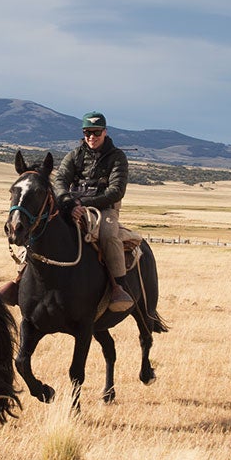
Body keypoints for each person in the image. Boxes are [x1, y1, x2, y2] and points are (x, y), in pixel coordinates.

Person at [57, 111, 133, 313]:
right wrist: (68, 203)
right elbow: (60, 181)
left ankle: (119, 287)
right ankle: (22, 276)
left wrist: (82, 203)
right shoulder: (74, 155)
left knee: (109, 236)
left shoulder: (117, 157)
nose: (91, 136)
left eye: (96, 132)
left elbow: (116, 191)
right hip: (74, 207)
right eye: (87, 132)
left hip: (104, 209)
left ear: (105, 132)